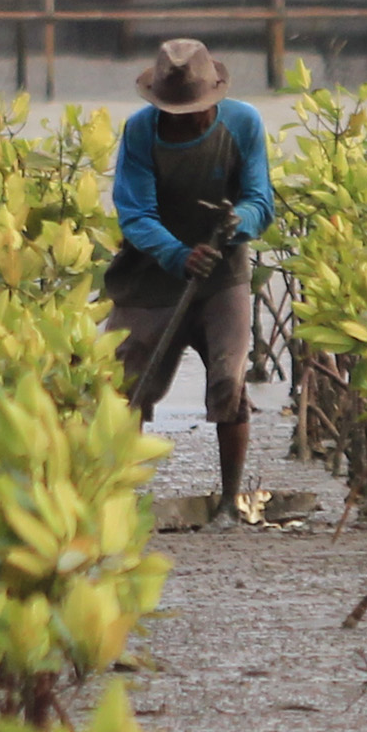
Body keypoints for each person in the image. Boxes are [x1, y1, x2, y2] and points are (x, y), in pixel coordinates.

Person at [106, 37, 275, 510]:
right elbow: (135, 213)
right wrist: (179, 255)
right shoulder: (140, 132)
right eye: (177, 111)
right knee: (124, 385)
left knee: (228, 380)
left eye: (198, 109)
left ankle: (229, 504)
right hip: (149, 277)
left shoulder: (243, 124)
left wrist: (236, 221)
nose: (188, 118)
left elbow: (261, 199)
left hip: (222, 275)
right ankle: (118, 498)